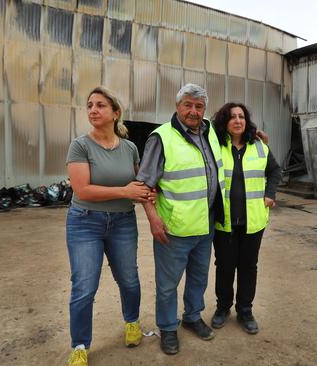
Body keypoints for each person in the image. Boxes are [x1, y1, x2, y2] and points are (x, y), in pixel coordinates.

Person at [65, 86, 152, 366]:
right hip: (85, 222)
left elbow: (140, 185)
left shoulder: (129, 148)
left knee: (128, 279)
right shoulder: (80, 145)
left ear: (115, 113)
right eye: (89, 105)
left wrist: (150, 197)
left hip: (123, 223)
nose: (93, 110)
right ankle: (80, 345)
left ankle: (132, 323)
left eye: (100, 105)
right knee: (84, 287)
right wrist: (126, 192)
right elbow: (83, 190)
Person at [136, 83, 225, 355]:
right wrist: (153, 218)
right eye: (188, 105)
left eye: (199, 106)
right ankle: (168, 328)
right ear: (177, 106)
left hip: (205, 224)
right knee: (167, 285)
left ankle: (192, 317)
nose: (193, 111)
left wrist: (258, 137)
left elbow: (237, 132)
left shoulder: (209, 130)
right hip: (173, 229)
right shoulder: (161, 138)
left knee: (199, 278)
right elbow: (143, 187)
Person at [209, 102, 281, 335]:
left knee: (249, 267)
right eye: (232, 117)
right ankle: (222, 308)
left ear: (246, 120)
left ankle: (245, 311)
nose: (237, 120)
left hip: (253, 221)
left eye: (241, 116)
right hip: (224, 221)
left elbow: (275, 171)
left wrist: (270, 194)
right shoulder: (215, 146)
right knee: (225, 267)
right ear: (224, 122)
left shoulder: (259, 146)